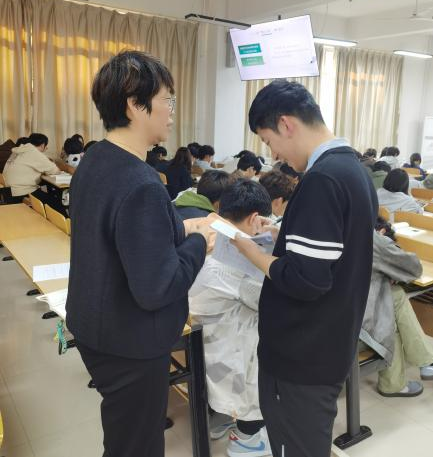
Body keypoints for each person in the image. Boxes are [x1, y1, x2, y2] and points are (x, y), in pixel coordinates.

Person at [65, 50, 212, 457]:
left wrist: (180, 228)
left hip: (95, 326)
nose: (171, 113)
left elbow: (118, 233)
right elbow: (157, 287)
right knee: (138, 445)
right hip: (130, 341)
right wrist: (199, 243)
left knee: (123, 435)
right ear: (134, 104)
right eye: (168, 100)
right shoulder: (141, 182)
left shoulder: (96, 160)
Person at [230, 80, 377, 457]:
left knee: (296, 446)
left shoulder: (322, 179)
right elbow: (335, 250)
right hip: (330, 343)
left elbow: (305, 279)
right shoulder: (353, 169)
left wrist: (249, 249)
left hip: (302, 354)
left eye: (269, 141)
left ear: (286, 124)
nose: (274, 154)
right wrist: (283, 234)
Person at [189, 179, 273, 457]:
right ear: (254, 218)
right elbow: (264, 300)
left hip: (200, 338)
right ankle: (247, 439)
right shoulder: (232, 259)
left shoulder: (202, 231)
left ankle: (223, 419)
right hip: (226, 353)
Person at [361, 217, 433, 397]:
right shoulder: (371, 238)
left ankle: (412, 372)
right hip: (354, 329)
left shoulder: (333, 231)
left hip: (330, 318)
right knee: (394, 299)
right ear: (382, 232)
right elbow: (414, 268)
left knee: (392, 298)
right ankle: (425, 362)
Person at [3, 132, 61, 203]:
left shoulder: (20, 149)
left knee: (46, 192)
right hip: (20, 193)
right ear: (43, 145)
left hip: (8, 191)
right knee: (55, 202)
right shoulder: (35, 153)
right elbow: (55, 171)